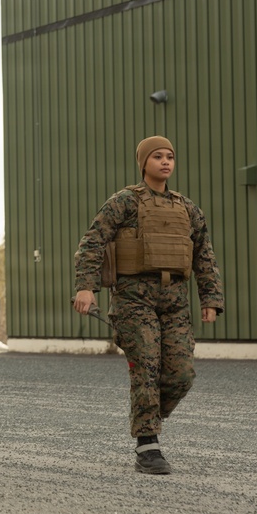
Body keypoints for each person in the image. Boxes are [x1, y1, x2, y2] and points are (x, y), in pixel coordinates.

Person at [73, 136, 224, 475]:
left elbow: (204, 256)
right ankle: (148, 444)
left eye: (170, 156)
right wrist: (86, 287)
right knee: (146, 365)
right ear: (144, 163)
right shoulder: (125, 202)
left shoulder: (187, 209)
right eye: (157, 156)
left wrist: (211, 298)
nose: (165, 161)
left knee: (181, 375)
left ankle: (148, 417)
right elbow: (93, 242)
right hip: (133, 299)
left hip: (174, 301)